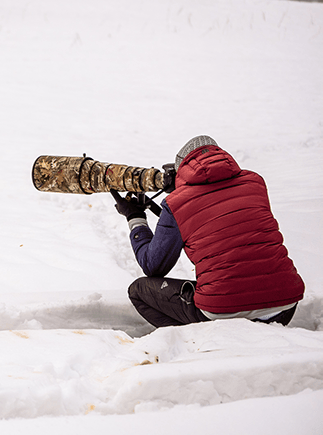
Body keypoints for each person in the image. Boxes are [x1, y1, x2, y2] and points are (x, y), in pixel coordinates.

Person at [111, 135, 304, 328]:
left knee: (139, 291)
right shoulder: (255, 183)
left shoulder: (177, 204)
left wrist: (134, 216)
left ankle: (200, 341)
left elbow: (153, 266)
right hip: (284, 305)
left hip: (222, 309)